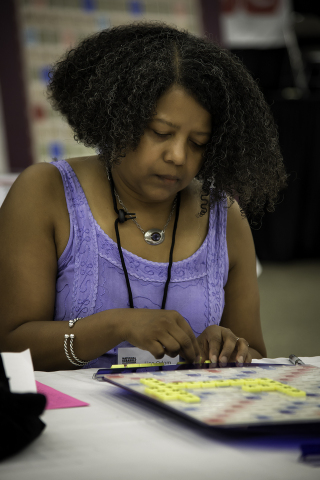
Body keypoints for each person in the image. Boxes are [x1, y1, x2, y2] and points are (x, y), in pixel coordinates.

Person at [0, 22, 286, 371]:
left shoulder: (222, 214)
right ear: (117, 118)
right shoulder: (45, 192)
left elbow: (255, 353)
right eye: (161, 133)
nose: (178, 156)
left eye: (198, 143)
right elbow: (10, 344)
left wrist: (229, 349)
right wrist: (117, 325)